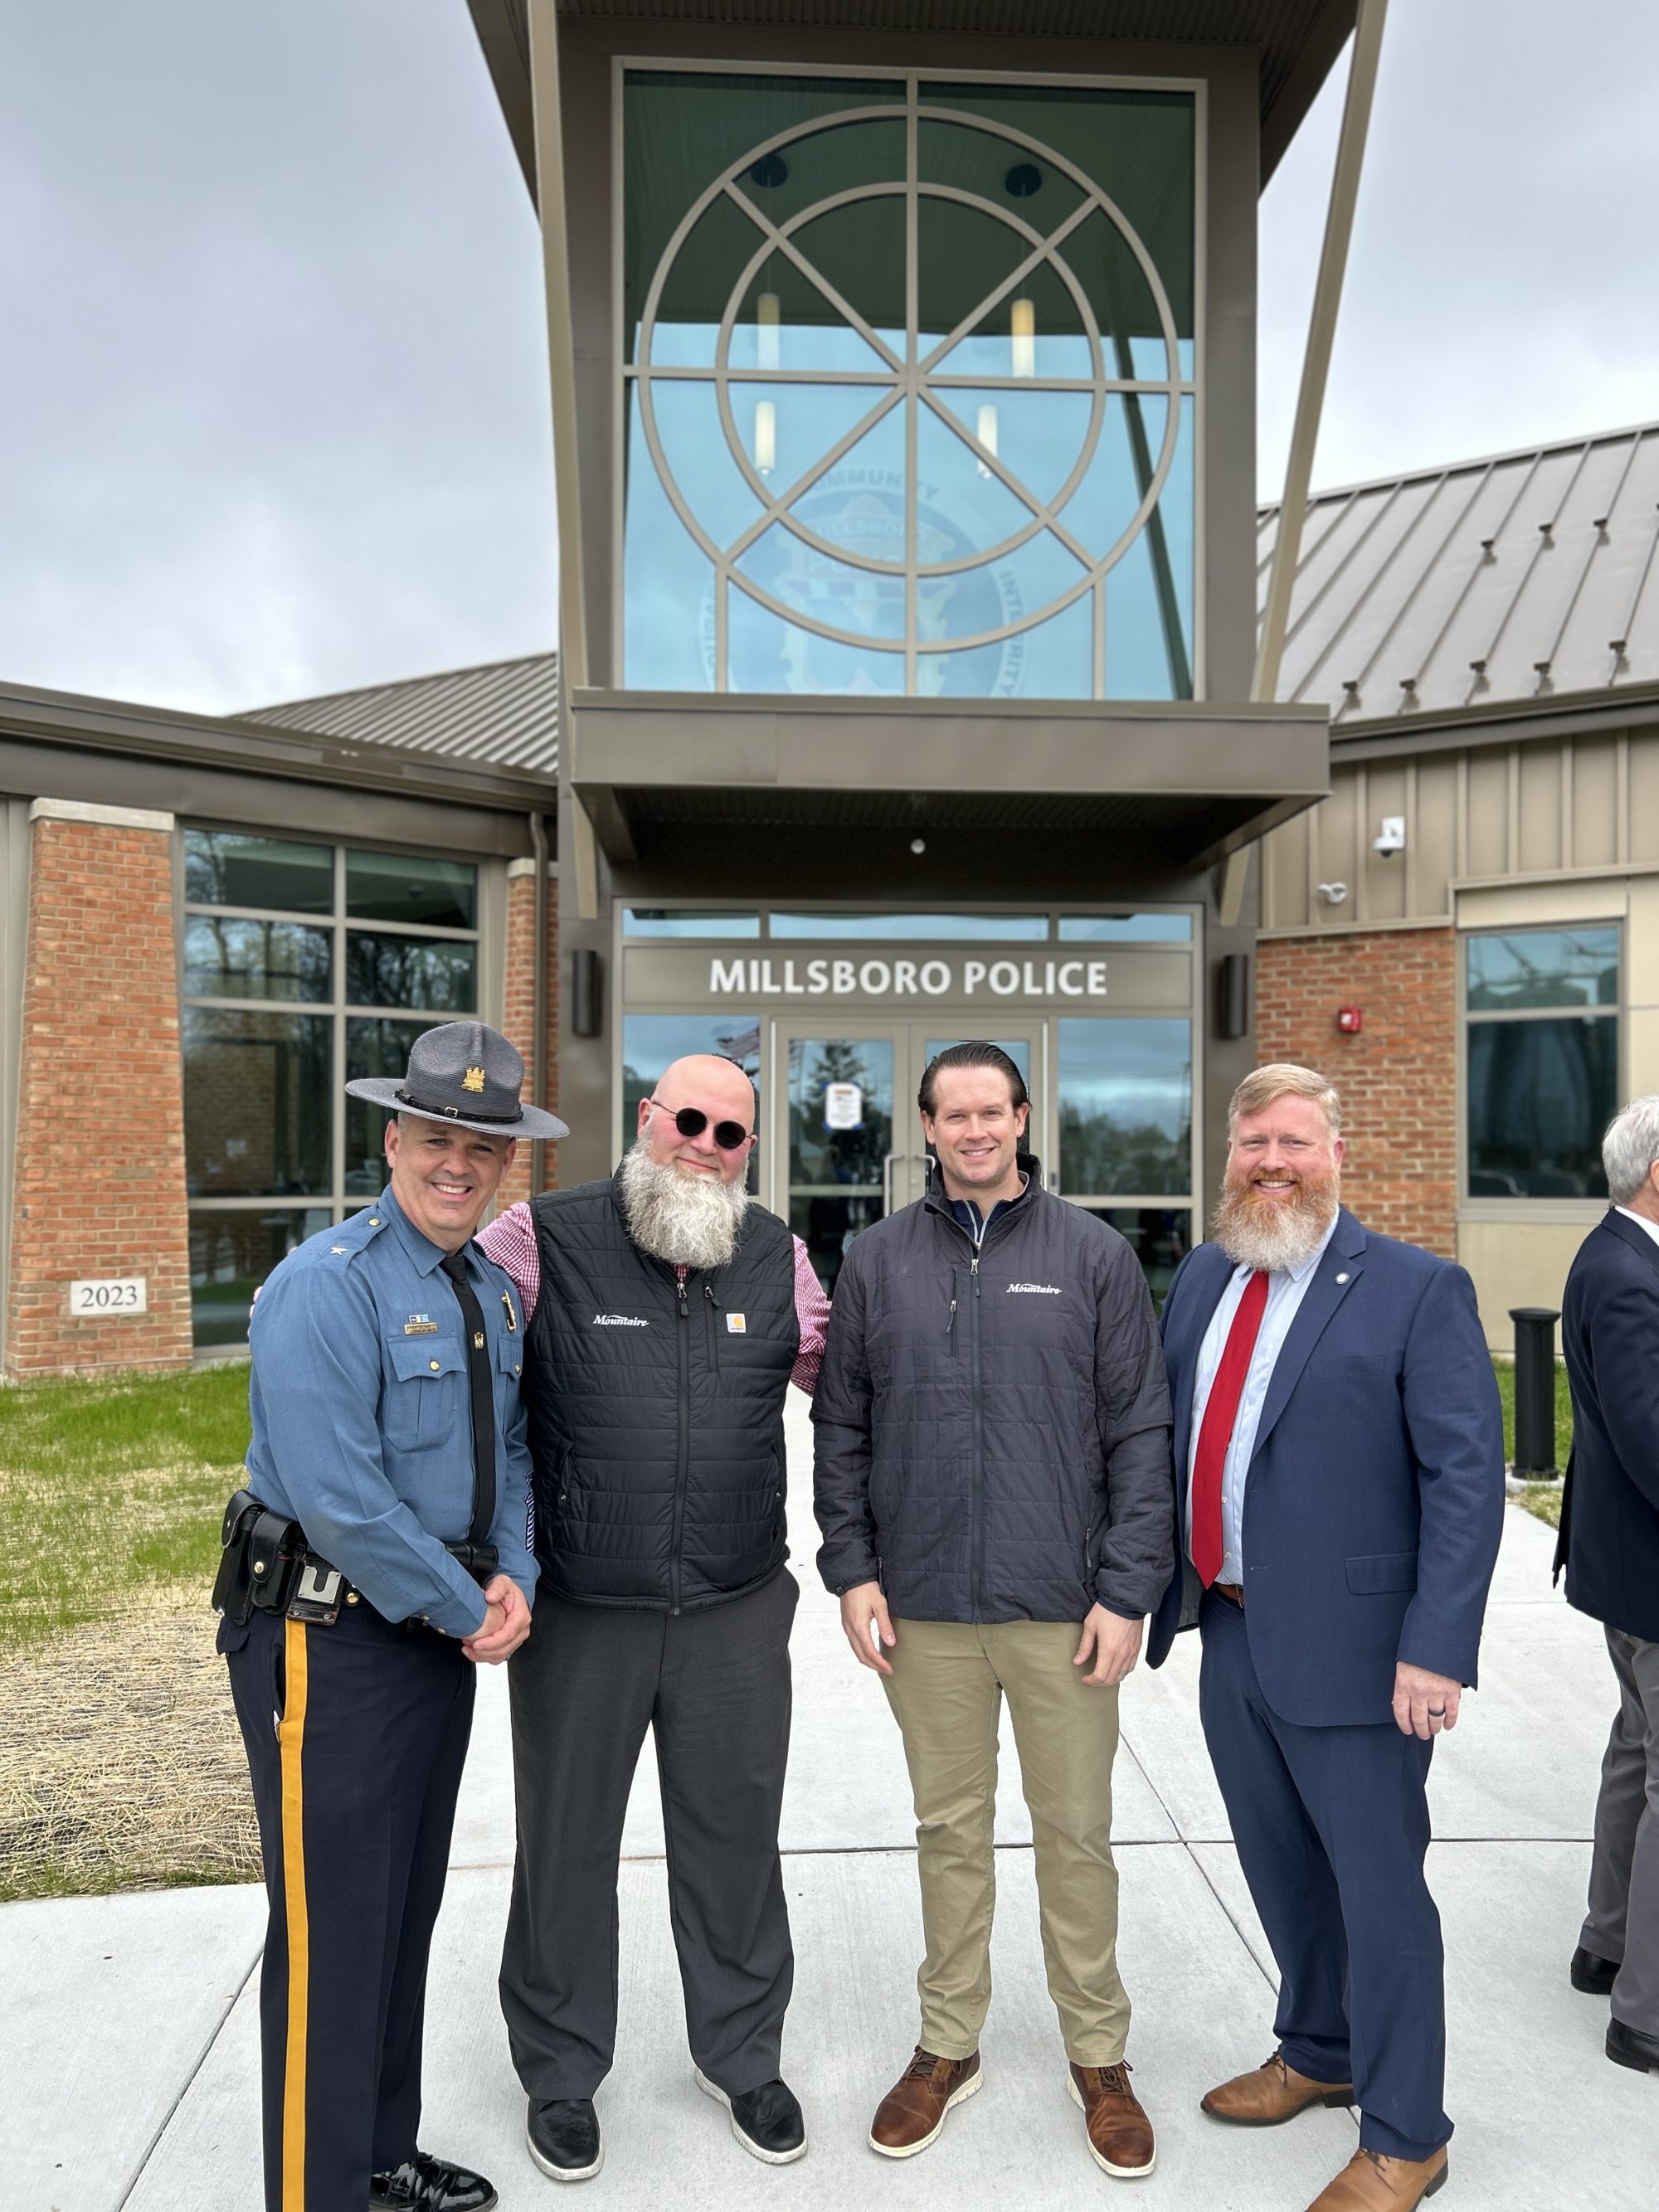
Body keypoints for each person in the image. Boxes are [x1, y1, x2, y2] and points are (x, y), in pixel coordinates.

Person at [812, 1042, 1175, 2180]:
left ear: (1022, 1118)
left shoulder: (1094, 1254)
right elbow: (841, 1425)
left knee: (1075, 1835)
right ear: (925, 1128)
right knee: (949, 1833)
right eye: (952, 1114)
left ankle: (1098, 2055)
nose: (974, 1130)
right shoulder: (876, 1258)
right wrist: (852, 1568)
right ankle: (947, 2042)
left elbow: (1140, 1430)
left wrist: (1126, 1588)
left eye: (992, 1110)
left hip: (1061, 1608)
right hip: (923, 1607)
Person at [217, 1021, 564, 2212]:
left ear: (507, 1160)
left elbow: (509, 1451)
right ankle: (313, 2194)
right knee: (330, 1933)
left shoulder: (489, 1294)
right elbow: (341, 1499)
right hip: (328, 1642)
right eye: (435, 1137)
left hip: (431, 1637)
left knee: (400, 1913)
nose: (457, 1163)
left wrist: (514, 1573)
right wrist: (469, 1604)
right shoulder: (328, 1283)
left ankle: (376, 2156)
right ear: (394, 1139)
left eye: (483, 1146)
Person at [1148, 1062, 1505, 2212]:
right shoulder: (1204, 1273)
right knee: (1280, 1865)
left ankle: (1407, 2132)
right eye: (1252, 1141)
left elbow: (1464, 1480)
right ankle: (1318, 2049)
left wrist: (1437, 1644)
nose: (1271, 1162)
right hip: (1230, 1627)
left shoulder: (1415, 1287)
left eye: (1293, 1141)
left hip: (1361, 1651)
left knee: (1379, 1894)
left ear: (1335, 1153)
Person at [474, 1053, 830, 2181]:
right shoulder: (542, 1238)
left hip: (735, 1606)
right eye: (688, 1119)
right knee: (565, 1843)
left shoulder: (777, 1256)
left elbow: (861, 1388)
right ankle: (560, 2070)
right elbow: (452, 1365)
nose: (704, 1146)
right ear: (646, 1118)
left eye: (730, 1133)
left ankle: (743, 2054)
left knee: (736, 1842)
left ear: (748, 1150)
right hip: (583, 1609)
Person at [1555, 1095, 1659, 2076]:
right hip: (1647, 1575)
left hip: (1627, 1571)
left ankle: (1604, 1944)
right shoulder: (1626, 1274)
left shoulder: (1616, 1256)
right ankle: (1645, 2016)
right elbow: (1647, 1440)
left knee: (1635, 1751)